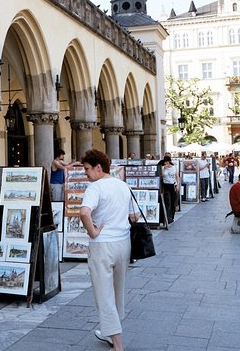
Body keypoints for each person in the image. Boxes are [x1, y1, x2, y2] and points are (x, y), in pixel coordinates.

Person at [79, 149, 138, 351]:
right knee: (117, 291)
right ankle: (110, 333)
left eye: (87, 169)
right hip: (123, 244)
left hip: (102, 246)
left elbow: (84, 212)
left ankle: (117, 345)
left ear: (98, 167)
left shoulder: (95, 188)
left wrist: (93, 232)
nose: (85, 173)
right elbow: (134, 217)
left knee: (104, 296)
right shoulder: (123, 185)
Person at [161, 156, 179, 223]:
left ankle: (171, 217)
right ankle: (167, 217)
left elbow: (177, 176)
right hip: (166, 185)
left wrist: (178, 185)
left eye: (167, 162)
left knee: (173, 201)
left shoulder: (174, 168)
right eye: (165, 162)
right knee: (167, 201)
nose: (166, 163)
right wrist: (164, 169)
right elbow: (162, 176)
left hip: (173, 185)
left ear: (169, 161)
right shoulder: (163, 168)